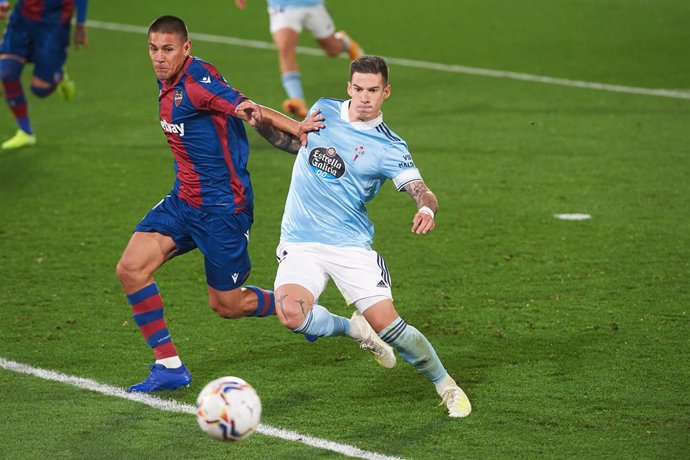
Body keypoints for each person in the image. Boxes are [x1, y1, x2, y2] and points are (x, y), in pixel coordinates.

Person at [116, 15, 381, 394]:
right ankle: (169, 366)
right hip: (184, 201)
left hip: (223, 209)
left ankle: (323, 317)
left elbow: (249, 108)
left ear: (185, 48)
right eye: (154, 49)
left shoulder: (197, 83)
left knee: (228, 304)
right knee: (130, 269)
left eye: (168, 49)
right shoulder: (168, 80)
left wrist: (296, 127)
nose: (159, 57)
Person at [256, 55, 472, 417]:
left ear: (386, 92)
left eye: (373, 90)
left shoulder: (391, 147)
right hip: (301, 240)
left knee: (390, 327)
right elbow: (297, 146)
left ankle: (446, 385)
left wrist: (425, 209)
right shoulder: (323, 110)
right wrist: (260, 124)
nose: (364, 97)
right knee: (291, 315)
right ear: (348, 88)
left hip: (350, 246)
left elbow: (422, 189)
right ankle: (354, 330)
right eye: (358, 89)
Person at [235, 0, 363, 119]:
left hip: (312, 4)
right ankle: (297, 100)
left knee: (332, 48)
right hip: (282, 6)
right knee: (285, 48)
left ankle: (347, 44)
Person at [0, 0, 89, 150]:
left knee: (40, 89)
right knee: (6, 72)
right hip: (22, 19)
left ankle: (58, 75)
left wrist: (81, 25)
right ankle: (25, 131)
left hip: (53, 26)